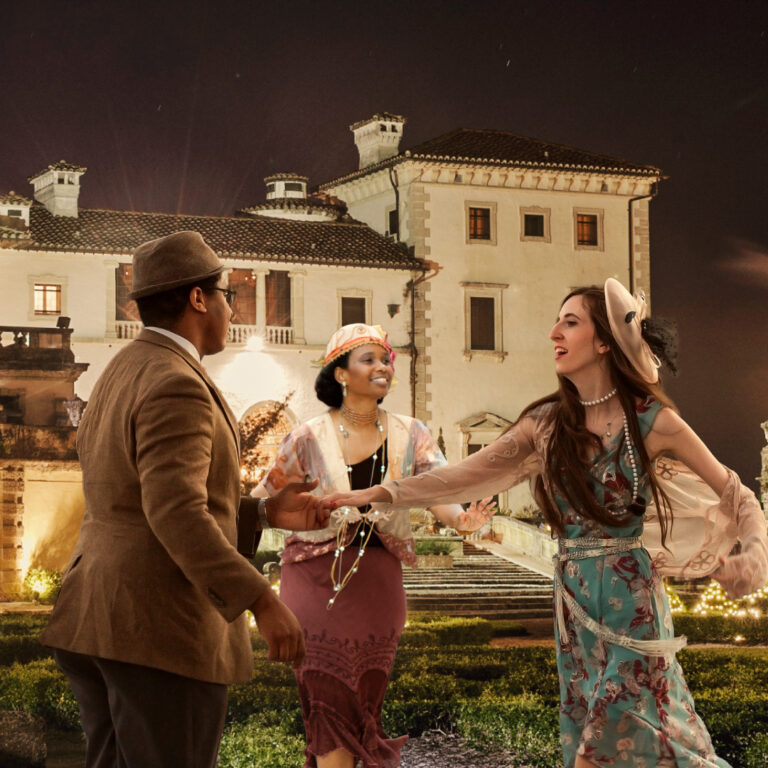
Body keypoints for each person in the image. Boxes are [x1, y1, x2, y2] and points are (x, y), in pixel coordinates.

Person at [323, 281, 768, 768]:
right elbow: (455, 479)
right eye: (557, 320)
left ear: (605, 341)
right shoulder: (545, 425)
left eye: (570, 322)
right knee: (616, 745)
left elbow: (738, 495)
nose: (553, 331)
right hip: (572, 611)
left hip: (632, 607)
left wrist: (754, 556)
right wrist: (378, 492)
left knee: (601, 750)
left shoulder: (653, 420)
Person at [41, 231, 328, 768]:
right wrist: (261, 600)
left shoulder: (122, 369)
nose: (229, 308)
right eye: (227, 295)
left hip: (99, 614)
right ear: (199, 299)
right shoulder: (177, 381)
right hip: (157, 629)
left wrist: (263, 511)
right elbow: (174, 511)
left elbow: (140, 497)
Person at [251, 323, 495, 768]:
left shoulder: (412, 432)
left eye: (385, 360)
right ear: (340, 373)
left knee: (365, 699)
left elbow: (436, 486)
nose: (382, 367)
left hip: (379, 585)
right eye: (369, 360)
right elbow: (264, 501)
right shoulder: (307, 436)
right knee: (326, 697)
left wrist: (462, 519)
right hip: (312, 576)